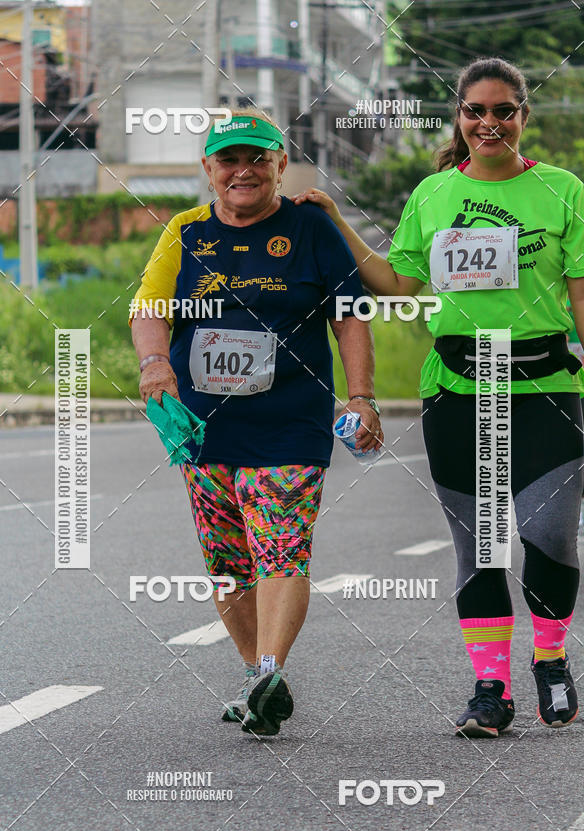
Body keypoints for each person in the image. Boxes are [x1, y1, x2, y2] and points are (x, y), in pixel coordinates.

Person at [293, 57, 584, 737]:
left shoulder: (563, 189)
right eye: (475, 111)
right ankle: (490, 689)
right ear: (459, 117)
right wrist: (335, 219)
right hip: (458, 389)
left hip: (545, 385)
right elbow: (399, 285)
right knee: (479, 545)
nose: (489, 123)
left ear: (523, 115)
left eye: (503, 110)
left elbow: (580, 300)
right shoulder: (432, 195)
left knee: (547, 535)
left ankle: (549, 659)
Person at [129, 109, 381, 736]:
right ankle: (255, 677)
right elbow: (150, 308)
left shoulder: (311, 228)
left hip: (291, 420)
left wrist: (361, 396)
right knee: (227, 561)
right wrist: (156, 364)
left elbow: (350, 316)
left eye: (257, 159)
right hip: (201, 425)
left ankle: (271, 667)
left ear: (279, 165)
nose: (243, 171)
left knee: (282, 548)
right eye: (229, 160)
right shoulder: (184, 234)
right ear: (209, 169)